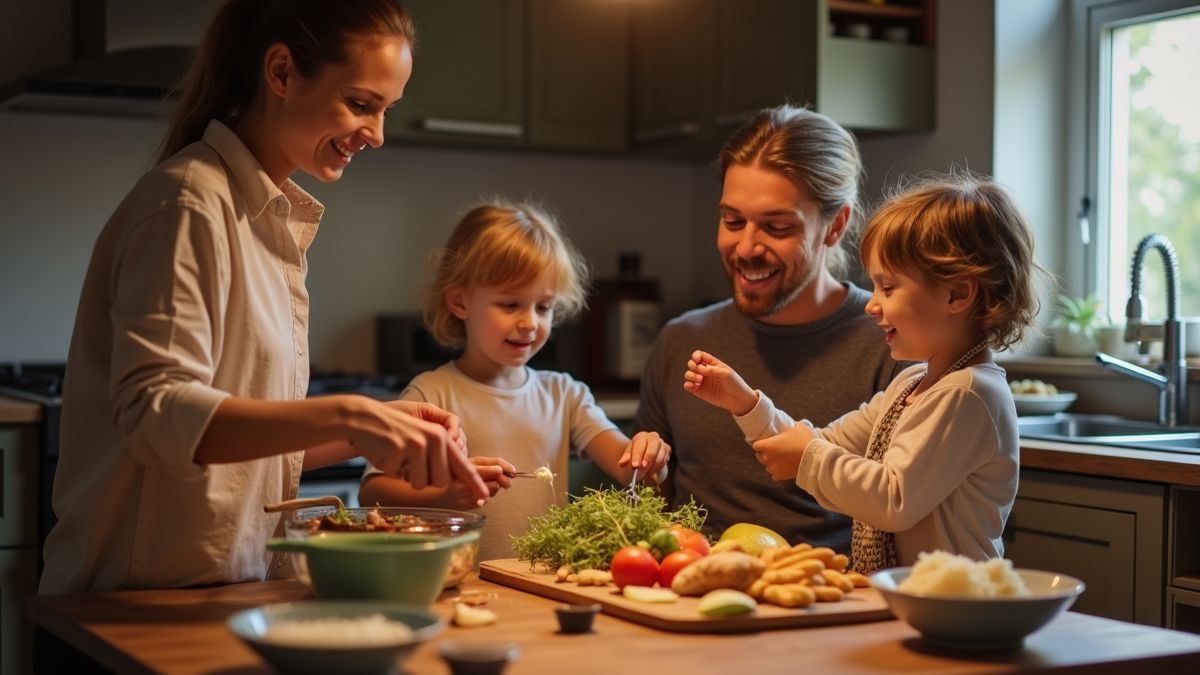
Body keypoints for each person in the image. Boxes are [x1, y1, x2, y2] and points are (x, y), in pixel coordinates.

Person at [39, 0, 489, 601]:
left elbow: (239, 445)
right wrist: (350, 414)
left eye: (386, 110)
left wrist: (374, 431)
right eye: (361, 104)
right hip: (136, 605)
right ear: (281, 73)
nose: (377, 135)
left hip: (220, 595)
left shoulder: (268, 218)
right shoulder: (189, 202)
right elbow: (160, 417)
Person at [684, 172, 1043, 573]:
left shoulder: (969, 395)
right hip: (907, 599)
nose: (872, 305)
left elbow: (893, 499)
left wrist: (807, 457)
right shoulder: (912, 383)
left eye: (888, 288)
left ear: (958, 294)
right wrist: (747, 404)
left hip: (957, 606)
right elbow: (820, 441)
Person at [635, 105, 906, 553]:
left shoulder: (891, 343)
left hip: (828, 602)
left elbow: (906, 511)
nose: (745, 248)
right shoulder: (681, 341)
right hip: (691, 597)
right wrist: (650, 474)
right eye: (732, 221)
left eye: (777, 227)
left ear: (835, 225)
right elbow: (651, 507)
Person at [360, 201, 671, 563]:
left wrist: (650, 458)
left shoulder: (565, 394)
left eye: (543, 307)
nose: (530, 323)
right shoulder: (431, 395)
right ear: (460, 301)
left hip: (539, 581)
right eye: (510, 305)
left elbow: (628, 464)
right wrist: (445, 496)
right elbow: (373, 492)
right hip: (462, 583)